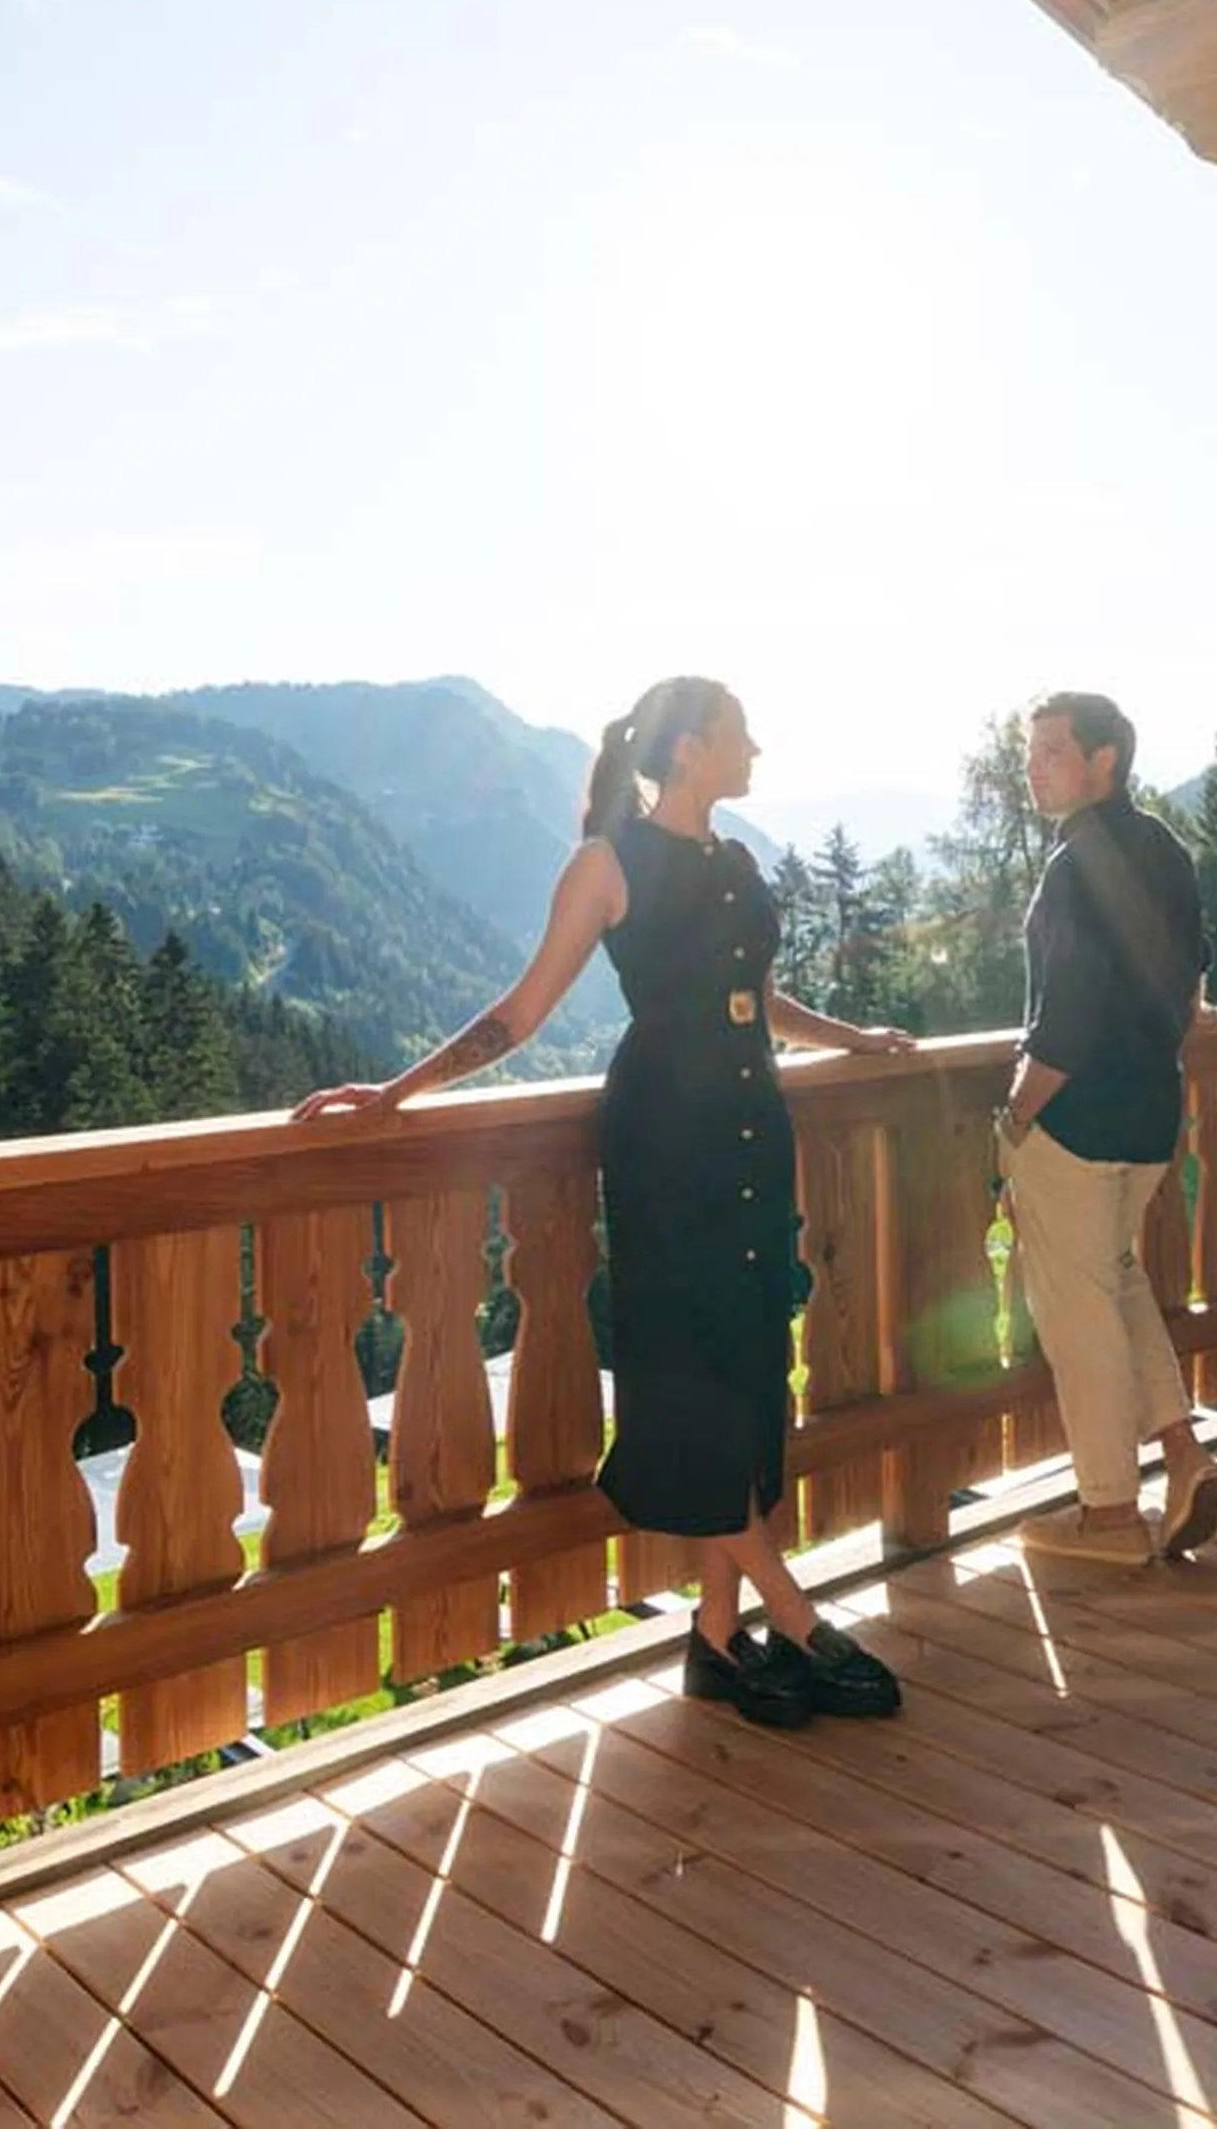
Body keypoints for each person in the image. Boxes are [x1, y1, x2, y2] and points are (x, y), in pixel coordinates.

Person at [296, 676, 912, 1727]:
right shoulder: (605, 865)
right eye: (740, 733)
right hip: (667, 1153)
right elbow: (524, 1010)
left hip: (753, 1140)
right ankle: (798, 1618)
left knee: (753, 1374)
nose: (757, 747)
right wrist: (397, 1093)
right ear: (688, 751)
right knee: (696, 1380)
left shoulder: (732, 858)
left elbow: (756, 1000)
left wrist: (856, 1040)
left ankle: (718, 1643)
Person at [1000, 691, 1217, 1568]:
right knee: (1117, 1282)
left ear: (1105, 762)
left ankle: (1109, 1517)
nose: (1035, 766)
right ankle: (1184, 1453)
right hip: (1150, 1116)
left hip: (1078, 1121)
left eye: (1053, 750)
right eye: (1032, 751)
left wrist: (1012, 1117)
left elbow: (1065, 1026)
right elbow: (1193, 977)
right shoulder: (1162, 845)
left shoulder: (1072, 866)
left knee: (1077, 1317)